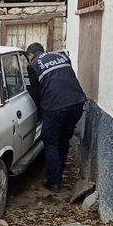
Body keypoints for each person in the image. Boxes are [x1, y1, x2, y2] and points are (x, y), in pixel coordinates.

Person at [26, 43, 87, 193]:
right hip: (77, 102)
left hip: (55, 106)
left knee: (50, 141)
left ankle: (54, 182)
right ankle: (59, 174)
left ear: (30, 55)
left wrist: (40, 112)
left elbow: (36, 93)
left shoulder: (33, 65)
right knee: (63, 139)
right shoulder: (61, 56)